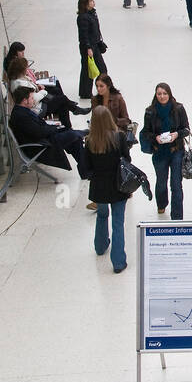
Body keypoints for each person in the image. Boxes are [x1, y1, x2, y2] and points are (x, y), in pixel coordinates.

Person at [81, 105, 133, 274]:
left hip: (99, 187)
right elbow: (127, 159)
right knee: (118, 223)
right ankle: (118, 262)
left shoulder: (89, 141)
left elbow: (85, 169)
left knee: (102, 216)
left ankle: (100, 245)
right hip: (118, 186)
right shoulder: (119, 137)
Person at [140, 83, 191, 220]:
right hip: (159, 152)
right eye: (159, 94)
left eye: (164, 93)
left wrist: (176, 135)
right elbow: (146, 132)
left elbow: (186, 129)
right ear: (155, 95)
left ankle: (177, 217)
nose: (162, 96)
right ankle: (161, 204)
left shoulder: (178, 109)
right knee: (161, 182)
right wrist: (155, 138)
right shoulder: (150, 112)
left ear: (169, 94)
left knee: (176, 184)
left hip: (176, 151)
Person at [8, 85, 85, 170]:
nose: (33, 100)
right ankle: (83, 133)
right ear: (25, 100)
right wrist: (54, 128)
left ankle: (85, 169)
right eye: (32, 98)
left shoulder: (21, 111)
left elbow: (38, 129)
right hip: (40, 147)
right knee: (73, 135)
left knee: (73, 138)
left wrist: (54, 127)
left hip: (42, 140)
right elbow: (39, 132)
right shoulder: (22, 116)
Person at [4, 53, 86, 129]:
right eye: (26, 68)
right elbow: (34, 99)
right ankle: (73, 112)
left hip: (36, 104)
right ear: (21, 70)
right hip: (37, 109)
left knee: (61, 102)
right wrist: (43, 92)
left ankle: (69, 125)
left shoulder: (18, 79)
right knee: (62, 100)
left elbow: (31, 93)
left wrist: (37, 87)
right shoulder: (20, 84)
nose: (27, 69)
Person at [76, 0, 107, 100]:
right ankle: (87, 92)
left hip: (95, 45)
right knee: (90, 70)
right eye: (91, 1)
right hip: (88, 47)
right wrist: (88, 47)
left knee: (94, 69)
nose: (94, 2)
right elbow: (83, 35)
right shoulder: (83, 18)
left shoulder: (92, 14)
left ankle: (95, 90)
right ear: (85, 4)